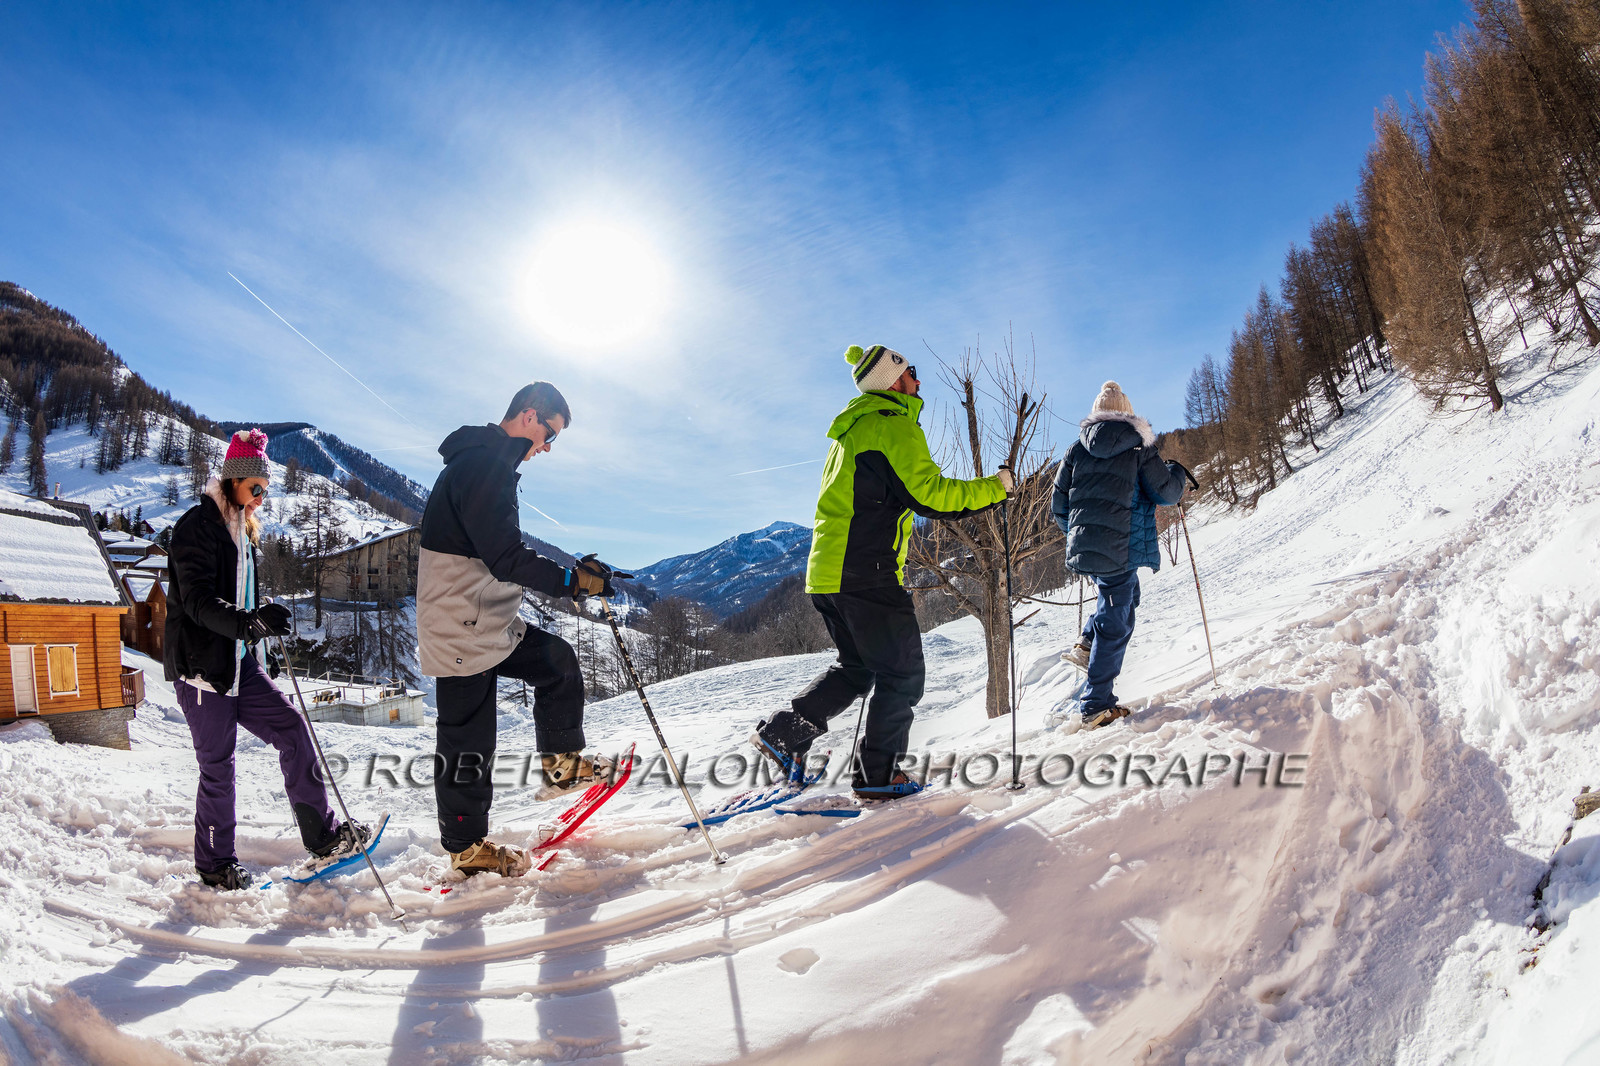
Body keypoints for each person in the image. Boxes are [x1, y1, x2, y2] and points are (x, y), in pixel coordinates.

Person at [752, 345, 1013, 799]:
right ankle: (878, 775)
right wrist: (995, 488)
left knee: (856, 668)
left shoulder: (851, 429)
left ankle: (784, 734)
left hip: (828, 573)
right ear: (892, 381)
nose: (918, 379)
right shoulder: (891, 424)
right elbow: (930, 494)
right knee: (902, 674)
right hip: (866, 572)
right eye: (911, 372)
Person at [417, 381, 617, 876]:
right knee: (468, 740)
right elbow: (506, 557)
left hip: (487, 618)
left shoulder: (490, 463)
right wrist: (573, 582)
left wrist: (573, 577)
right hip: (459, 625)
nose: (548, 447)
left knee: (557, 663)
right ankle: (466, 849)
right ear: (530, 416)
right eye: (551, 434)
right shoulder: (482, 465)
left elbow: (496, 548)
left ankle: (562, 765)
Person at [165, 429, 369, 890]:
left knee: (293, 729)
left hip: (240, 662)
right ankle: (215, 864)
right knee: (219, 767)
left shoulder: (242, 531)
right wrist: (249, 623)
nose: (261, 497)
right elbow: (197, 601)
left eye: (265, 489)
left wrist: (257, 637)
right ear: (232, 480)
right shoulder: (197, 527)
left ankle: (323, 836)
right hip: (202, 671)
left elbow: (240, 599)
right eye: (255, 487)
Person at [1050, 381, 1187, 727]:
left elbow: (1059, 505)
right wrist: (1178, 472)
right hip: (1121, 548)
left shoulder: (1075, 450)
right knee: (1117, 621)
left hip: (1089, 548)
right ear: (1127, 414)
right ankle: (1096, 705)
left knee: (1124, 597)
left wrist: (1082, 535)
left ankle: (1087, 642)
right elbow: (1167, 493)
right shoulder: (1139, 448)